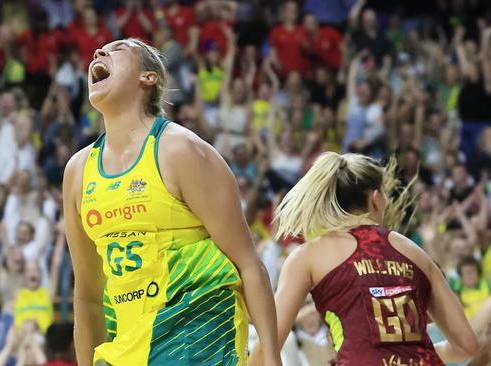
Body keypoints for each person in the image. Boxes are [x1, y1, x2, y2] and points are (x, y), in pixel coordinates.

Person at [62, 38, 280, 365]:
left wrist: (271, 356)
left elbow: (248, 261)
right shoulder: (78, 171)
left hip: (199, 331)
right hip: (129, 341)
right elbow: (88, 295)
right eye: (98, 51)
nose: (99, 53)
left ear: (147, 78)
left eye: (118, 49)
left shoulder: (180, 150)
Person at [251, 152, 478, 365]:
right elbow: (467, 345)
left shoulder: (309, 255)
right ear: (376, 198)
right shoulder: (414, 251)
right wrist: (408, 356)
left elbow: (268, 345)